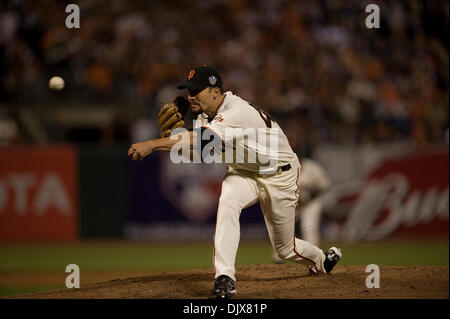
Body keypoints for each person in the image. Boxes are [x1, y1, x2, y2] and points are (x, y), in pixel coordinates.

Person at [128, 65, 342, 298]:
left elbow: (203, 138)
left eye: (197, 90)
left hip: (280, 175)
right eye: (188, 90)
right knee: (227, 201)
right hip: (243, 172)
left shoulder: (235, 110)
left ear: (215, 92)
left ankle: (321, 259)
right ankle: (225, 277)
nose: (190, 96)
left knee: (284, 249)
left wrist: (152, 144)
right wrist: (171, 139)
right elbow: (200, 152)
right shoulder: (202, 118)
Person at [272, 157, 331, 266]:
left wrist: (308, 198)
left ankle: (316, 259)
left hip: (312, 203)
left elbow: (324, 186)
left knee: (310, 228)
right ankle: (279, 257)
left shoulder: (313, 168)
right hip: (295, 202)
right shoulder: (285, 168)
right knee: (282, 226)